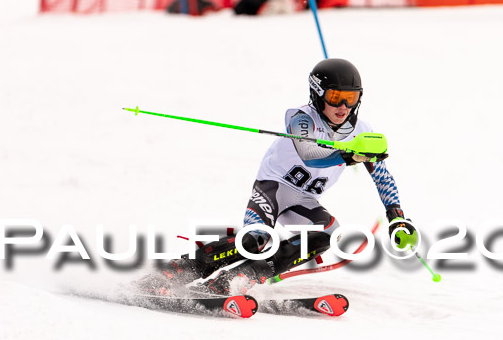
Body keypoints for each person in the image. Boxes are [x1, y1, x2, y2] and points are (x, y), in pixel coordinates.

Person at [141, 58, 417, 296]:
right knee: (257, 240)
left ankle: (236, 280)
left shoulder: (362, 132)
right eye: (335, 97)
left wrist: (397, 217)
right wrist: (348, 156)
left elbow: (382, 177)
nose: (343, 106)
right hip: (272, 187)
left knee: (328, 235)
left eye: (351, 97)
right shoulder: (300, 118)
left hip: (303, 198)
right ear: (317, 94)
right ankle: (177, 271)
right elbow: (309, 152)